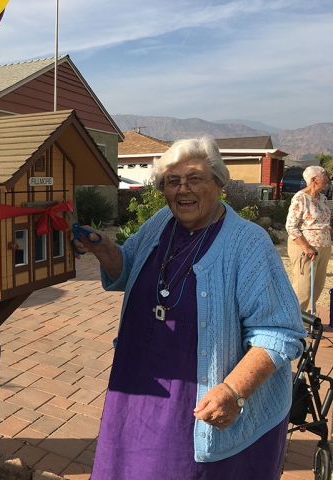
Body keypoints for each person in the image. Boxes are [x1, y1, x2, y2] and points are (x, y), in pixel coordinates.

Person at [74, 136, 305, 479]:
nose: (183, 189)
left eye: (195, 178)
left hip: (203, 401)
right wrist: (104, 248)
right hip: (142, 384)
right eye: (172, 181)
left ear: (218, 183)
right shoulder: (160, 224)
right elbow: (128, 266)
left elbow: (279, 332)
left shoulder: (248, 244)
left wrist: (234, 391)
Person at [285, 165, 332, 312]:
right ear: (314, 179)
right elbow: (291, 226)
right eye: (325, 175)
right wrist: (306, 247)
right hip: (305, 248)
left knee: (317, 286)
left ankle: (307, 321)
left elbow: (326, 222)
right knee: (303, 288)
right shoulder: (300, 198)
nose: (327, 178)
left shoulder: (322, 199)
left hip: (323, 247)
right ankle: (292, 322)